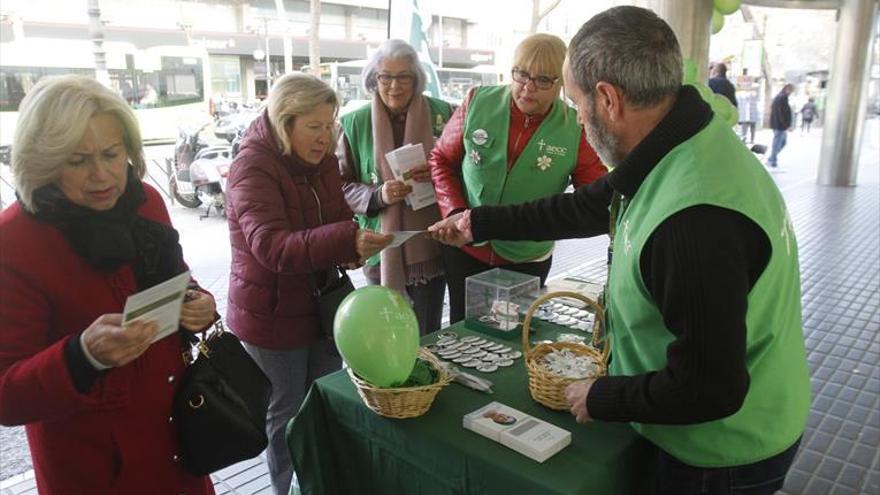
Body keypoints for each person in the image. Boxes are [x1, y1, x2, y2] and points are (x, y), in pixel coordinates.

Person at [430, 6, 809, 494]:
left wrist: (604, 396)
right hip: (713, 418)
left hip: (722, 452)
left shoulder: (693, 221)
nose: (579, 120)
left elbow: (710, 387)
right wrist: (477, 222)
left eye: (577, 103)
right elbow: (583, 208)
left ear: (607, 98)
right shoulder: (679, 141)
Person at [0, 75, 218, 494]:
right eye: (78, 160)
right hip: (95, 471)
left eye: (111, 154)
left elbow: (179, 283)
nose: (101, 176)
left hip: (182, 447)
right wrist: (80, 356)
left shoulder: (146, 203)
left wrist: (200, 306)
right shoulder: (16, 240)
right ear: (42, 162)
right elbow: (6, 394)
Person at [225, 73, 392, 495]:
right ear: (285, 123)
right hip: (271, 313)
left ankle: (314, 484)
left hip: (321, 304)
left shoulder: (324, 163)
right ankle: (284, 489)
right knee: (284, 413)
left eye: (330, 125)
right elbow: (272, 247)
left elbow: (338, 220)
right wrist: (342, 239)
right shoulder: (252, 166)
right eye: (314, 127)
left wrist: (352, 247)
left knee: (321, 401)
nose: (326, 138)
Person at [429, 33, 606, 323]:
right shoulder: (477, 102)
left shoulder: (576, 128)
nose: (527, 88)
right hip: (465, 251)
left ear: (561, 84)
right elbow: (441, 160)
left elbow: (594, 198)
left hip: (526, 259)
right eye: (521, 74)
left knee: (513, 338)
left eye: (543, 80)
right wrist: (456, 213)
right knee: (463, 333)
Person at [337, 39, 452, 335]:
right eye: (385, 77)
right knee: (386, 332)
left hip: (429, 245)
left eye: (403, 77)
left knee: (427, 334)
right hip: (379, 243)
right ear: (373, 79)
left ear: (417, 79)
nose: (393, 86)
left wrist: (438, 173)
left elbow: (465, 171)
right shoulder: (353, 123)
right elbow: (339, 186)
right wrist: (378, 195)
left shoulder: (446, 114)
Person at [768, 83, 795, 168]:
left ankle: (772, 157)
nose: (791, 93)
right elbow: (782, 113)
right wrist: (786, 124)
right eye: (791, 90)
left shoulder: (778, 97)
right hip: (780, 125)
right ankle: (772, 160)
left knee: (782, 142)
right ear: (787, 89)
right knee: (778, 143)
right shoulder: (783, 97)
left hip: (777, 124)